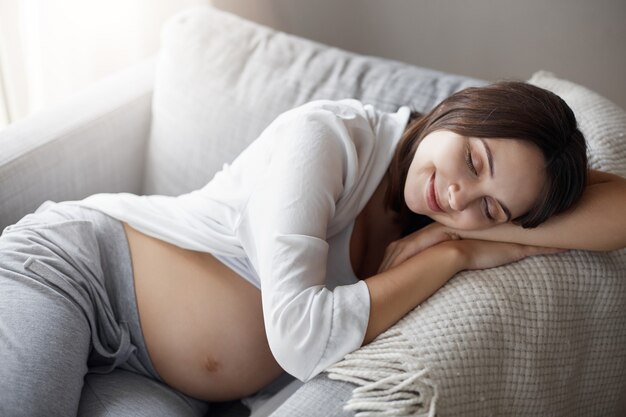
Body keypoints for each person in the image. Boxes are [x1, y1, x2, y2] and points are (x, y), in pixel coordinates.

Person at [0, 81, 624, 417]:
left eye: (490, 207)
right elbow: (299, 339)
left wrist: (499, 221)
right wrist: (456, 253)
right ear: (454, 111)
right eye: (471, 158)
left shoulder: (435, 210)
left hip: (166, 386)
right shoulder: (327, 138)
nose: (457, 195)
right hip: (74, 276)